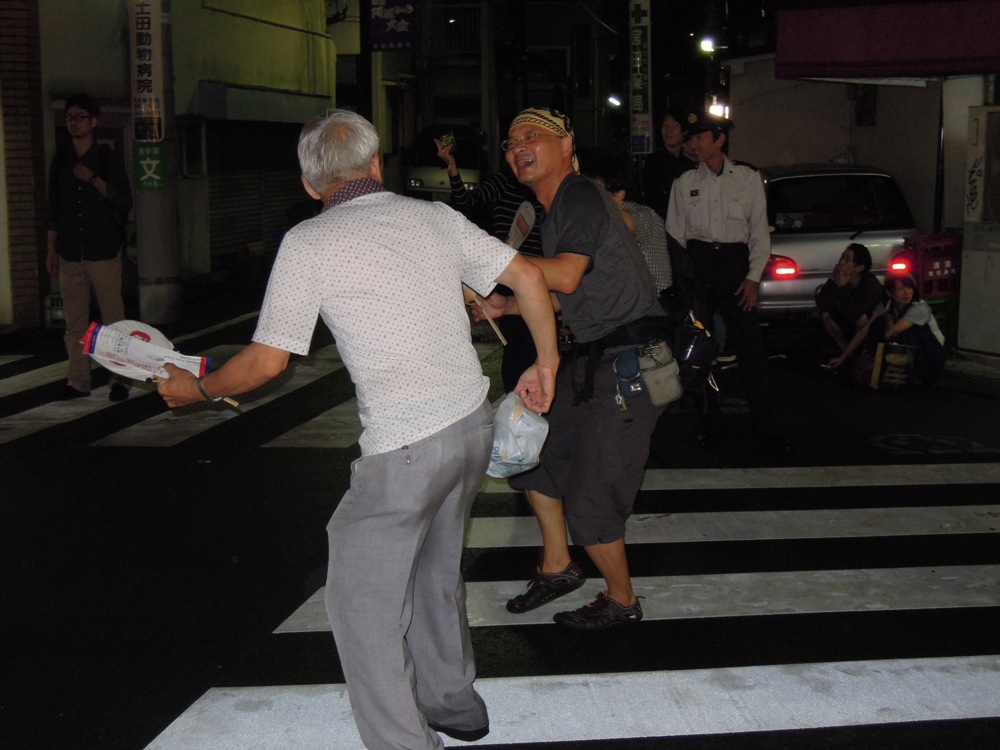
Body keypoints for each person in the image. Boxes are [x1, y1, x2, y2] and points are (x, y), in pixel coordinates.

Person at [157, 109, 559, 749]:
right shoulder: (434, 217)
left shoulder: (309, 242)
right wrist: (546, 364)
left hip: (406, 446)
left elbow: (267, 362)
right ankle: (454, 702)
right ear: (375, 164)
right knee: (434, 569)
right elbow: (530, 277)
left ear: (309, 183)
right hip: (469, 425)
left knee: (360, 605)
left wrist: (197, 389)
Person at [480, 107, 668, 631]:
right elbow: (577, 291)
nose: (518, 146)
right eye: (511, 141)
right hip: (595, 360)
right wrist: (507, 306)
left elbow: (563, 276)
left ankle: (622, 601)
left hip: (632, 364)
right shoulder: (558, 208)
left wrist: (494, 264)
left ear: (566, 146)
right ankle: (558, 566)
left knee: (592, 497)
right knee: (534, 457)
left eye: (532, 136)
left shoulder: (579, 194)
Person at [665, 109, 783, 443]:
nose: (693, 145)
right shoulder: (685, 182)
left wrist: (753, 277)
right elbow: (675, 236)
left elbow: (759, 232)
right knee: (700, 348)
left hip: (734, 266)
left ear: (720, 139)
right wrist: (682, 282)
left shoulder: (747, 178)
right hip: (699, 266)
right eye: (691, 138)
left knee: (751, 348)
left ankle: (765, 423)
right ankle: (710, 423)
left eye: (700, 137)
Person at [436, 136, 546, 390]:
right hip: (510, 272)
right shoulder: (503, 182)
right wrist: (452, 166)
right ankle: (516, 395)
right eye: (513, 146)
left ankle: (533, 390)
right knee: (518, 342)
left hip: (543, 274)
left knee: (538, 342)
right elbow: (466, 202)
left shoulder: (545, 185)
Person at [46, 94, 133, 401]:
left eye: (80, 117)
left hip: (103, 249)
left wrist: (93, 179)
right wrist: (51, 249)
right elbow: (54, 208)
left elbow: (124, 200)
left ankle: (120, 378)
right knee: (75, 322)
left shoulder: (107, 158)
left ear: (94, 122)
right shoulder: (61, 160)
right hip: (70, 251)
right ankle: (78, 380)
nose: (74, 123)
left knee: (114, 320)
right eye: (69, 117)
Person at [585, 153, 673, 295]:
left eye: (596, 191)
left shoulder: (645, 216)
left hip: (653, 301)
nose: (589, 197)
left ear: (618, 194)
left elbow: (621, 221)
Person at [870, 273, 947, 384]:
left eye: (909, 287)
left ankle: (917, 374)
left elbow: (889, 333)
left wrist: (889, 319)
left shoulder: (920, 307)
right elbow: (867, 328)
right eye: (900, 289)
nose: (907, 292)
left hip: (931, 356)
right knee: (877, 323)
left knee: (908, 332)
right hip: (909, 353)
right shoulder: (888, 306)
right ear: (889, 292)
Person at [819, 243, 886, 369]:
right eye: (841, 257)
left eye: (847, 259)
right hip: (850, 322)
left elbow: (856, 314)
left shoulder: (870, 284)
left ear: (859, 267)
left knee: (862, 319)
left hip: (872, 327)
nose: (841, 262)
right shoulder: (841, 279)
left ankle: (863, 355)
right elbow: (822, 303)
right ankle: (847, 353)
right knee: (826, 315)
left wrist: (842, 287)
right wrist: (833, 280)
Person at [640, 108, 696, 219]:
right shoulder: (653, 162)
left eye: (674, 125)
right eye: (665, 125)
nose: (668, 130)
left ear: (684, 131)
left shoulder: (691, 161)